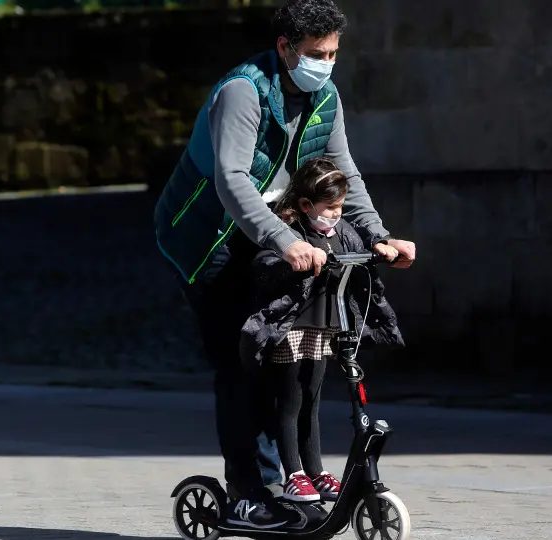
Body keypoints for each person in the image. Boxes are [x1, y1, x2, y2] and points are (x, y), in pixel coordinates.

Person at [153, 0, 416, 529]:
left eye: (334, 53)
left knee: (289, 363)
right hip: (211, 239)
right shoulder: (243, 92)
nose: (326, 63)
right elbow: (231, 178)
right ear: (285, 48)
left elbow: (343, 172)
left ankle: (289, 479)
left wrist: (378, 235)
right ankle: (249, 491)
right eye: (316, 53)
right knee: (240, 362)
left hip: (272, 235)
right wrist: (282, 237)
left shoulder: (325, 96)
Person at [241, 156, 399, 503]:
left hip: (325, 325)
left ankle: (316, 470)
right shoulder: (291, 231)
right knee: (291, 401)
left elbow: (361, 247)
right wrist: (293, 259)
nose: (335, 213)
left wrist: (381, 248)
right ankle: (294, 473)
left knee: (312, 400)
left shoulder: (342, 232)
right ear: (305, 204)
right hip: (294, 326)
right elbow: (264, 266)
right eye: (329, 207)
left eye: (340, 206)